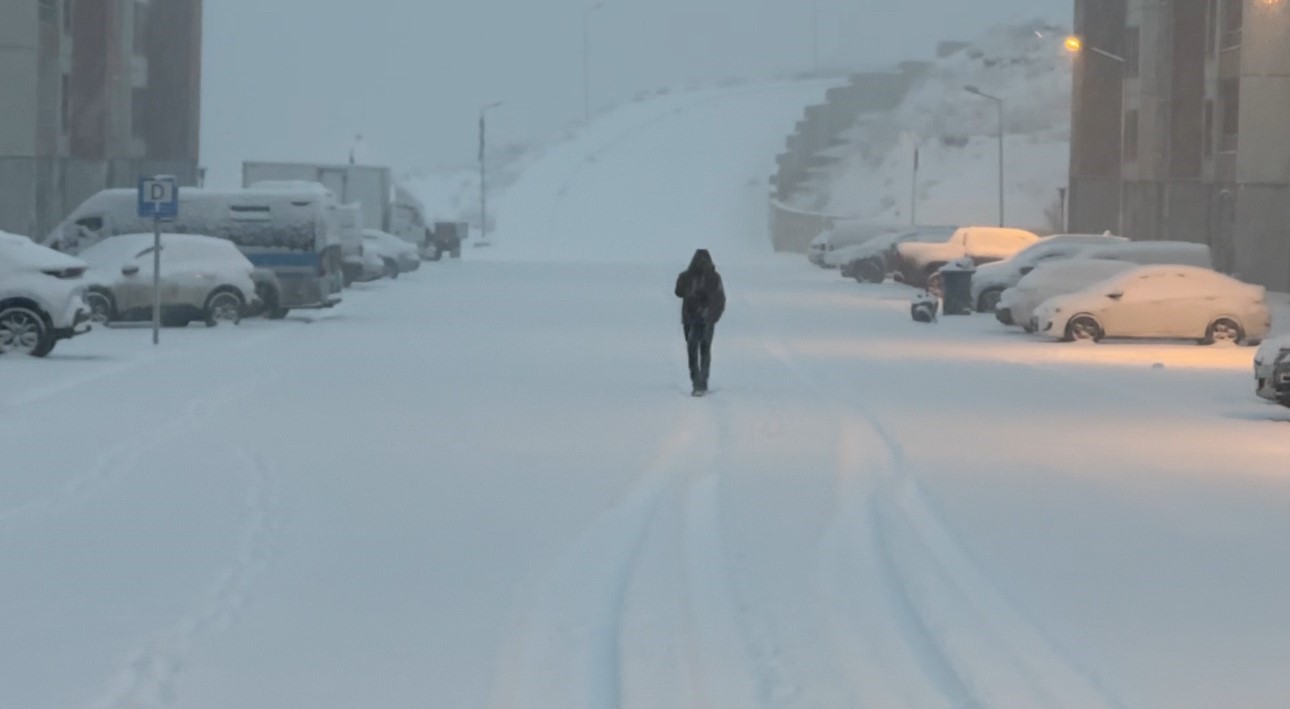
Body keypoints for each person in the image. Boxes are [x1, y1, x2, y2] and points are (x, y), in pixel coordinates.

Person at [674, 249, 726, 395]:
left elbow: (678, 292)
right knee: (703, 349)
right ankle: (701, 381)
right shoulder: (712, 278)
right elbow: (719, 299)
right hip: (702, 319)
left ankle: (698, 381)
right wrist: (713, 316)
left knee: (694, 349)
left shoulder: (690, 276)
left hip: (695, 319)